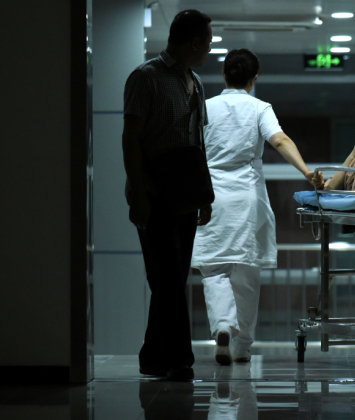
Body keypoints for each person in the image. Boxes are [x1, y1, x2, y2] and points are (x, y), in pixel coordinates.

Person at [191, 49, 323, 365]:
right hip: (246, 198)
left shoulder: (206, 107)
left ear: (225, 75)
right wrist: (306, 172)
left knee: (214, 269)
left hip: (211, 196)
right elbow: (279, 140)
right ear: (255, 77)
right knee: (247, 275)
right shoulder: (259, 107)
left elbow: (190, 149)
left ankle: (223, 324)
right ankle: (242, 348)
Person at [122, 9, 213, 381]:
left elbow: (198, 142)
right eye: (207, 41)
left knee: (168, 280)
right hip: (155, 194)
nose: (209, 48)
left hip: (186, 196)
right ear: (194, 42)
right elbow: (130, 137)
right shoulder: (147, 78)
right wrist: (139, 193)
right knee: (170, 279)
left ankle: (151, 356)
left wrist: (203, 195)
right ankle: (179, 360)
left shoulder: (195, 82)